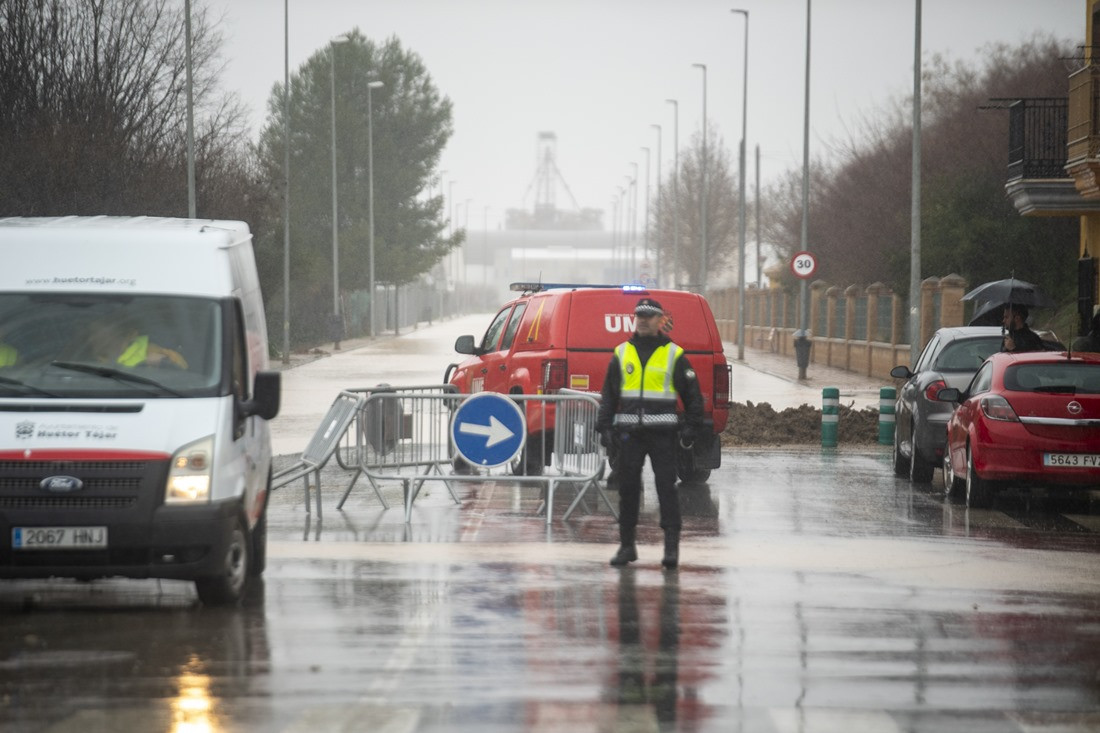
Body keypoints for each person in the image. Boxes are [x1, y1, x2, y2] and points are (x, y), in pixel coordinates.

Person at [596, 297, 705, 569]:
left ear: (660, 320)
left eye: (649, 316)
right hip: (629, 434)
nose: (643, 320)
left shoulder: (674, 354)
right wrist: (604, 427)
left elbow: (692, 395)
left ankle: (670, 549)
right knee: (629, 490)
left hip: (663, 434)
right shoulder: (622, 352)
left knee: (666, 489)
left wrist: (692, 426)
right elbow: (608, 395)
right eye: (639, 315)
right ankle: (627, 546)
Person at [83, 319, 188, 369]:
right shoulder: (88, 361)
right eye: (91, 333)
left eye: (97, 332)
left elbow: (182, 372)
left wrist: (164, 362)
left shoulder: (151, 351)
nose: (92, 338)